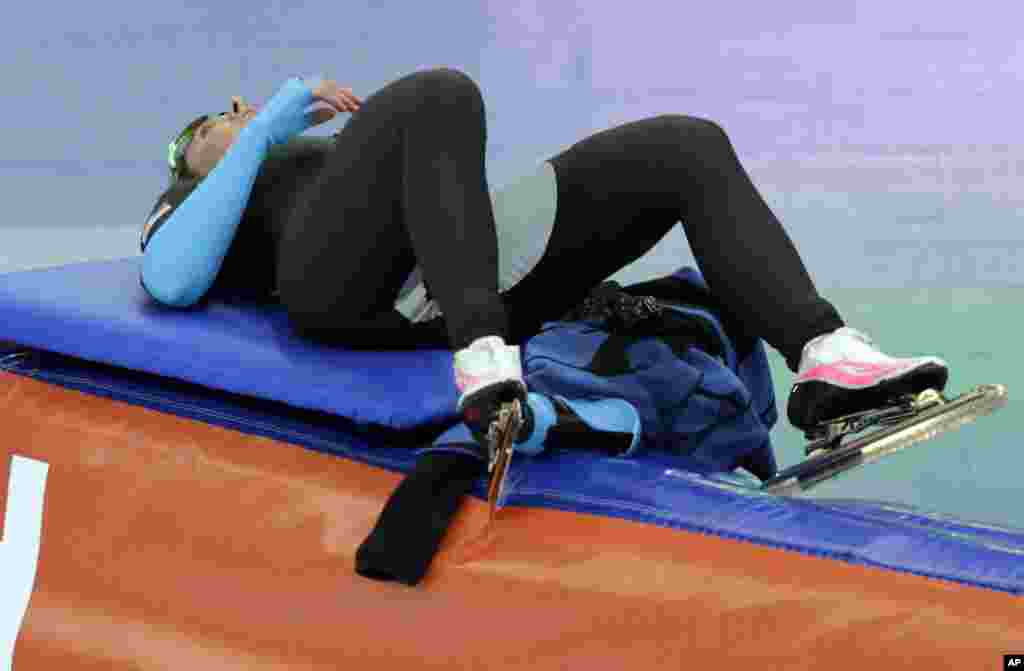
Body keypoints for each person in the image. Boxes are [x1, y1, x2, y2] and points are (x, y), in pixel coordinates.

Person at [139, 67, 949, 452]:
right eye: (216, 120)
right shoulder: (199, 201)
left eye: (243, 107)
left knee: (684, 146)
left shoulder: (332, 157)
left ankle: (824, 360)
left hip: (459, 270)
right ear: (187, 161)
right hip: (345, 295)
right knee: (439, 92)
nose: (238, 113)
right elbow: (170, 278)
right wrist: (265, 126)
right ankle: (485, 358)